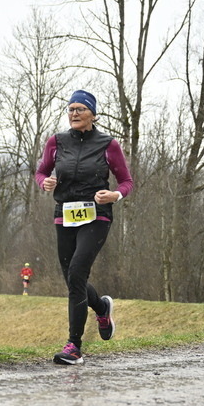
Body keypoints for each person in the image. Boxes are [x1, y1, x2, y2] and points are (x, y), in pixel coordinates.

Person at [35, 89, 133, 365]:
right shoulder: (56, 142)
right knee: (72, 279)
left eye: (80, 109)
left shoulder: (108, 144)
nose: (74, 113)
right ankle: (101, 307)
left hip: (96, 216)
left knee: (77, 271)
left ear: (93, 114)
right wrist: (44, 182)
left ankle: (74, 347)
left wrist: (115, 195)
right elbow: (41, 172)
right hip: (65, 215)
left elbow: (126, 181)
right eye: (71, 109)